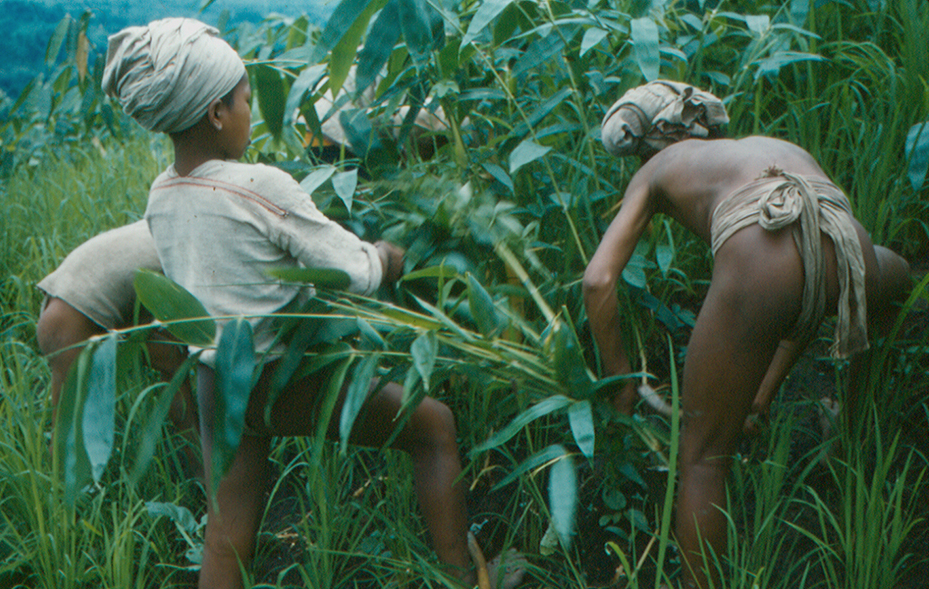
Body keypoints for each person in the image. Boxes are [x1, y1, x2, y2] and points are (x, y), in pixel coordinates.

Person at [101, 18, 525, 589]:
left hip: (217, 383)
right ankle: (465, 574)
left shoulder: (161, 194)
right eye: (248, 99)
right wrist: (389, 256)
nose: (253, 110)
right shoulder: (260, 185)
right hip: (282, 375)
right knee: (433, 426)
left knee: (225, 538)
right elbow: (356, 271)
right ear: (217, 112)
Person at [585, 80, 912, 588]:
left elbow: (598, 280)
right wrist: (760, 395)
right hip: (849, 249)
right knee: (898, 281)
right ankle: (857, 426)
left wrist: (622, 382)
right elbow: (804, 288)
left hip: (764, 255)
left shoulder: (656, 169)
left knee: (700, 459)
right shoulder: (770, 147)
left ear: (651, 143)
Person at [36, 221, 199, 465]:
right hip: (73, 320)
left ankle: (199, 464)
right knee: (71, 443)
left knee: (66, 434)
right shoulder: (187, 250)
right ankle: (201, 468)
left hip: (58, 308)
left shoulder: (167, 225)